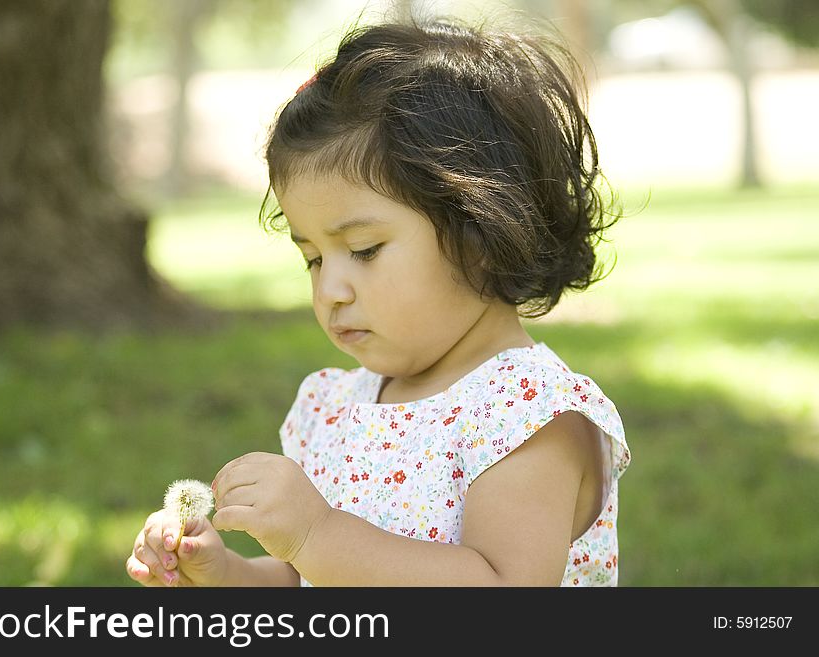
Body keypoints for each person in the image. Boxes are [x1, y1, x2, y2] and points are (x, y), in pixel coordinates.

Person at [126, 14, 632, 587]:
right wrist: (224, 574)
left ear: (482, 235)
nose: (329, 290)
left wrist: (317, 533)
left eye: (364, 250)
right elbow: (307, 581)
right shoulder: (335, 406)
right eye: (313, 258)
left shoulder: (526, 415)